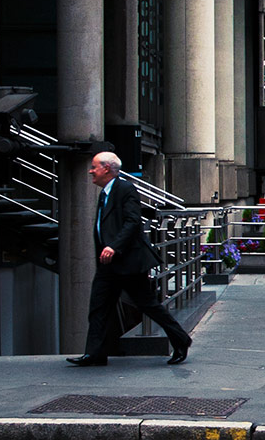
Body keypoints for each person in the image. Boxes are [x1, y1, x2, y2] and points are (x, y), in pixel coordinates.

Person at [71, 150, 192, 366]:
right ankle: (95, 354)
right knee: (98, 307)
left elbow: (132, 221)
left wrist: (113, 247)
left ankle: (181, 340)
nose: (91, 171)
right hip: (108, 265)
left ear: (106, 168)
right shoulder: (105, 193)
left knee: (148, 305)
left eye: (94, 167)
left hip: (127, 262)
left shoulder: (125, 188)